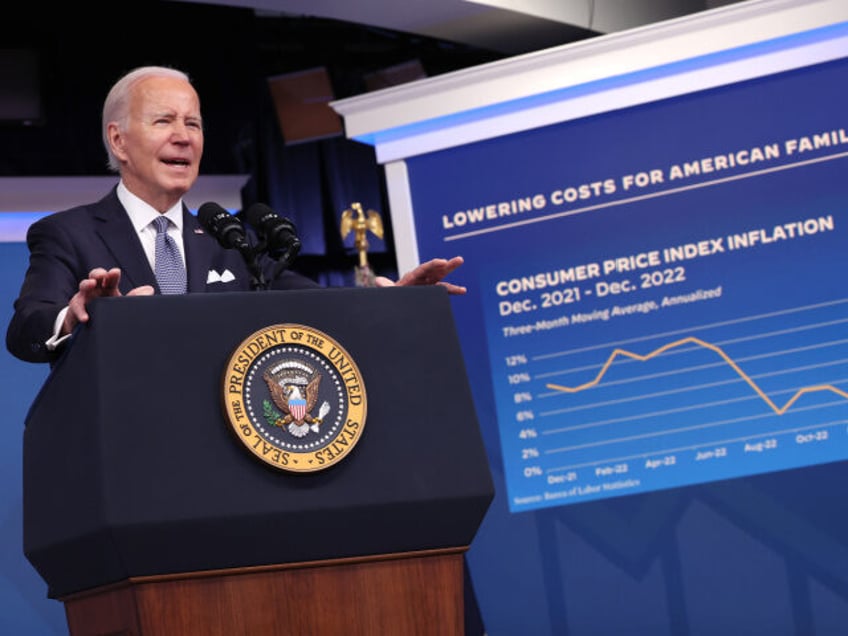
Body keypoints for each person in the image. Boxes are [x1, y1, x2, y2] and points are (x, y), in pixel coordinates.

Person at [5, 65, 466, 365]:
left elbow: (314, 303)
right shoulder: (68, 232)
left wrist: (391, 302)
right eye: (164, 121)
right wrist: (75, 316)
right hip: (126, 448)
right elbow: (26, 327)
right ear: (119, 140)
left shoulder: (231, 238)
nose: (184, 137)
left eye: (194, 123)